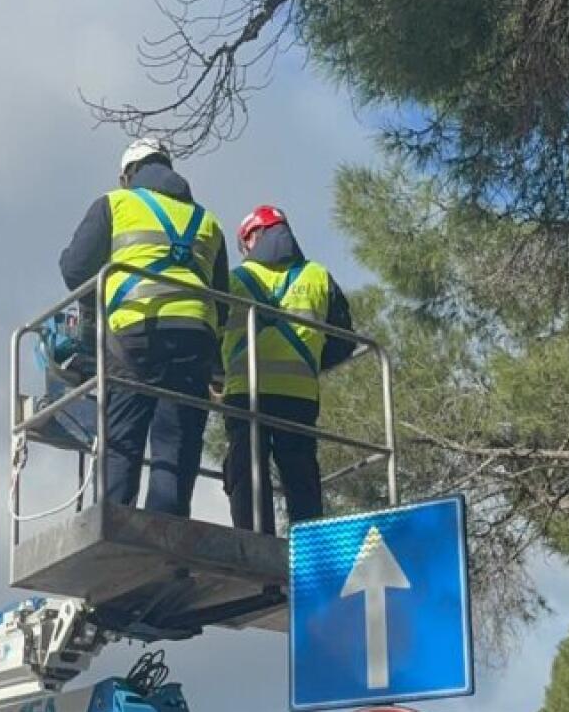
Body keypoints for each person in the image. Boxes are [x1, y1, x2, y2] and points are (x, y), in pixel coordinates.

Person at [60, 139, 228, 517]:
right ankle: (167, 547)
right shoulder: (208, 221)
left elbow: (75, 271)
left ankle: (116, 539)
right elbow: (223, 301)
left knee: (122, 442)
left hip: (134, 338)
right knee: (176, 448)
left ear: (128, 174)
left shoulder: (115, 203)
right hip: (194, 342)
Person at [221, 204, 352, 532]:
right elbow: (343, 339)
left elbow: (213, 330)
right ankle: (310, 548)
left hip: (245, 392)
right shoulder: (318, 276)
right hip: (299, 396)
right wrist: (310, 362)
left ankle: (254, 544)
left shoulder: (235, 280)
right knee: (301, 475)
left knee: (246, 471)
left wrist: (217, 372)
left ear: (253, 236)